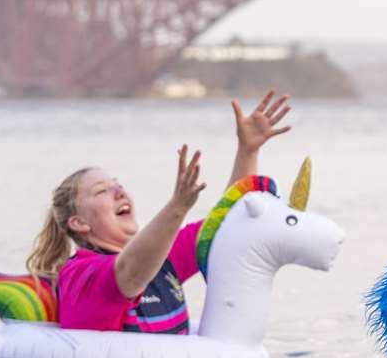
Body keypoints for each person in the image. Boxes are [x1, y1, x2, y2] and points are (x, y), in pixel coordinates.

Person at [24, 92, 294, 333]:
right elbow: (130, 273)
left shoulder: (165, 257)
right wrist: (177, 207)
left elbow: (227, 223)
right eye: (101, 190)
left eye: (118, 184)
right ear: (78, 222)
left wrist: (248, 150)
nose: (119, 192)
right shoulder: (80, 274)